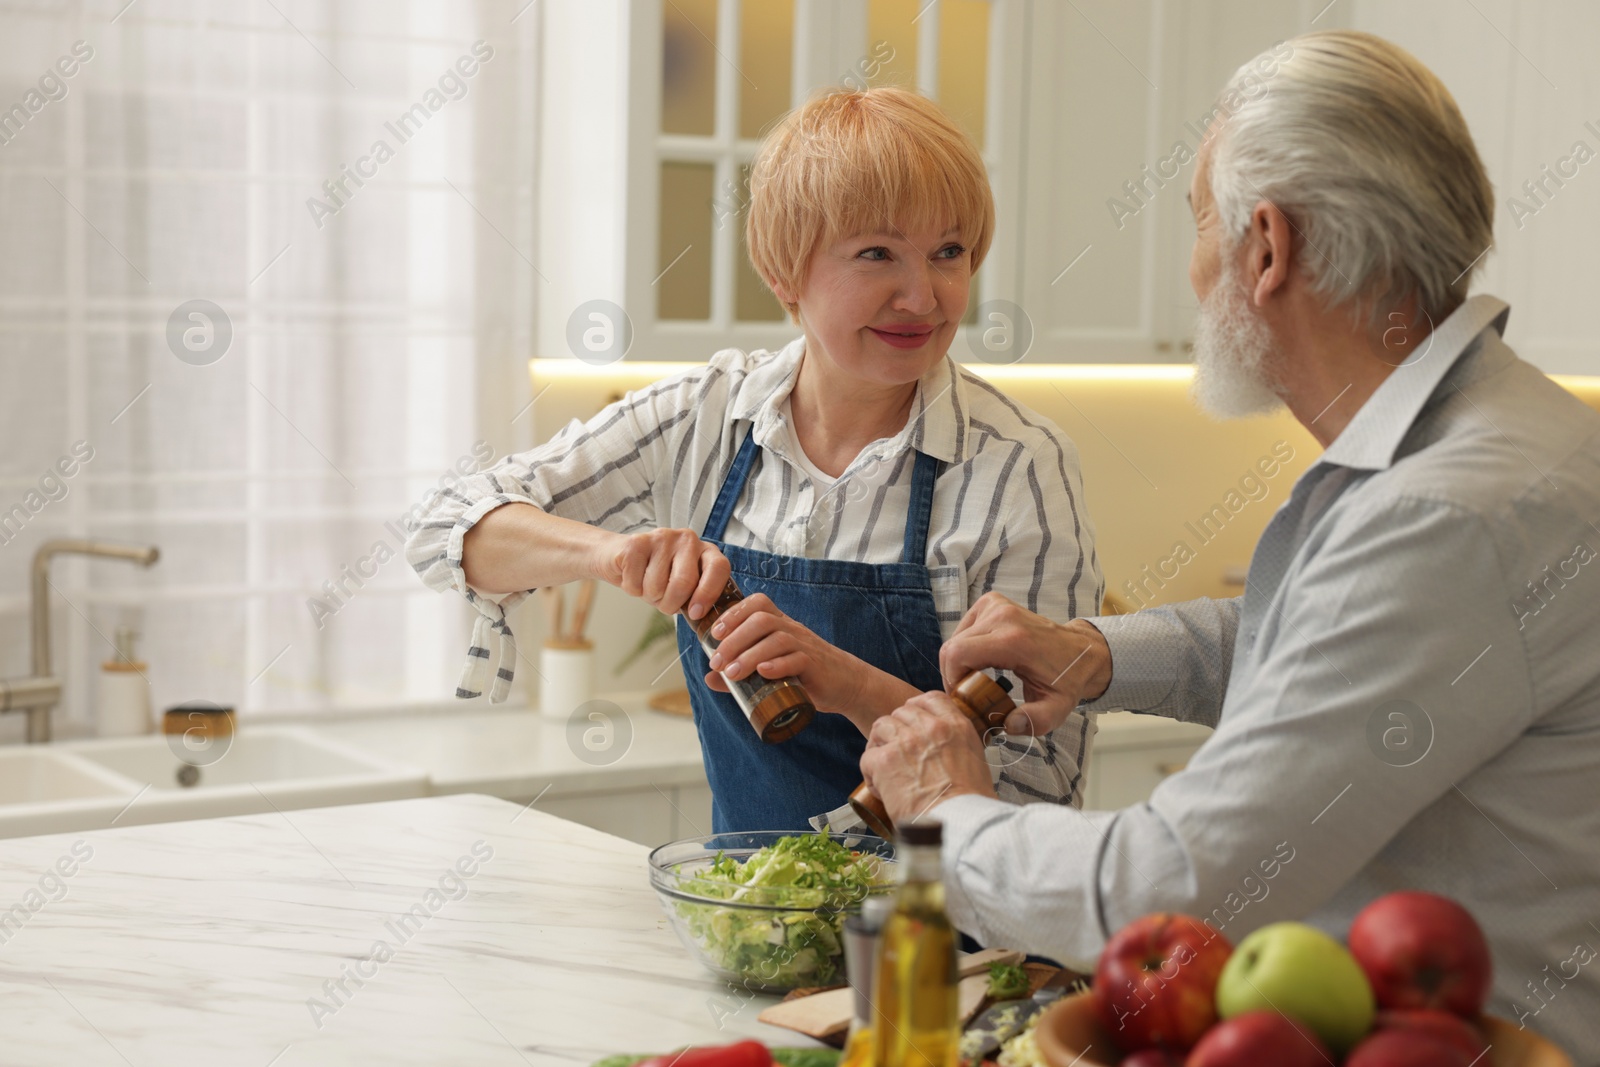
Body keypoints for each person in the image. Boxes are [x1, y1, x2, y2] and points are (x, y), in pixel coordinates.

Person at [859, 31, 1600, 1058]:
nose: (1195, 267)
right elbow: (1327, 643)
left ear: (1265, 246)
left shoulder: (1446, 512)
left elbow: (1169, 892)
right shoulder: (1491, 441)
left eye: (1198, 224)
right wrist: (1100, 653)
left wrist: (946, 812)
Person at [406, 87, 1101, 834]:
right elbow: (445, 528)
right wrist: (615, 554)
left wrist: (846, 682)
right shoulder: (706, 417)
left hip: (938, 938)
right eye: (877, 253)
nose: (922, 296)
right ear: (784, 273)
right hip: (750, 921)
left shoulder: (1018, 467)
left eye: (948, 253)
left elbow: (1039, 790)